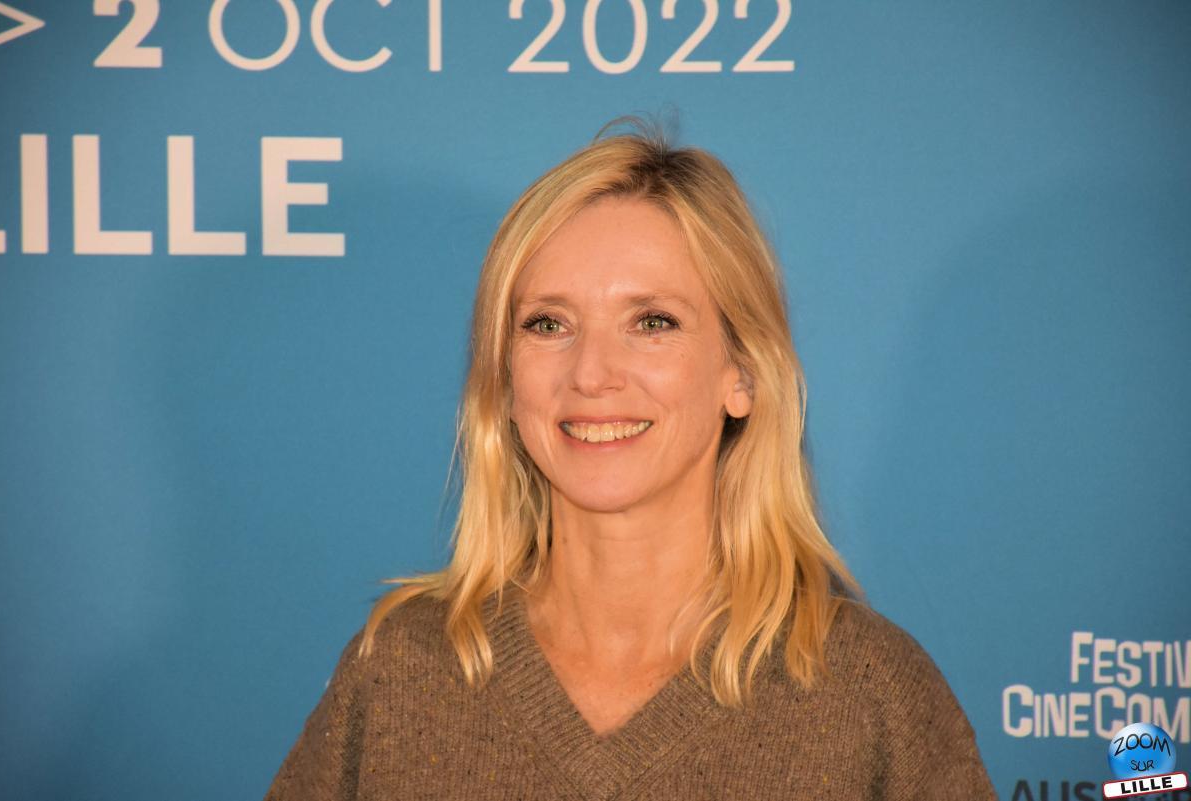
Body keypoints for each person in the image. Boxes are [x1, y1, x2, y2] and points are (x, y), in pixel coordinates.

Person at [264, 117, 997, 800]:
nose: (591, 374)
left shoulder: (870, 694)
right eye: (548, 324)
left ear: (742, 374)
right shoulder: (400, 672)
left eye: (652, 322)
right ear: (504, 382)